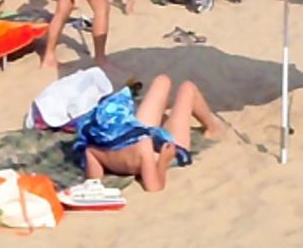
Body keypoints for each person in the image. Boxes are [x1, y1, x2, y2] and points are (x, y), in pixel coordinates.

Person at [75, 75, 223, 192]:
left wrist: (95, 181)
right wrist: (165, 159)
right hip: (165, 147)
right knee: (188, 89)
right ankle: (213, 129)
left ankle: (167, 113)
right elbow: (154, 187)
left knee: (162, 81)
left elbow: (93, 179)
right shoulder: (144, 147)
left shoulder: (96, 148)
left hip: (131, 136)